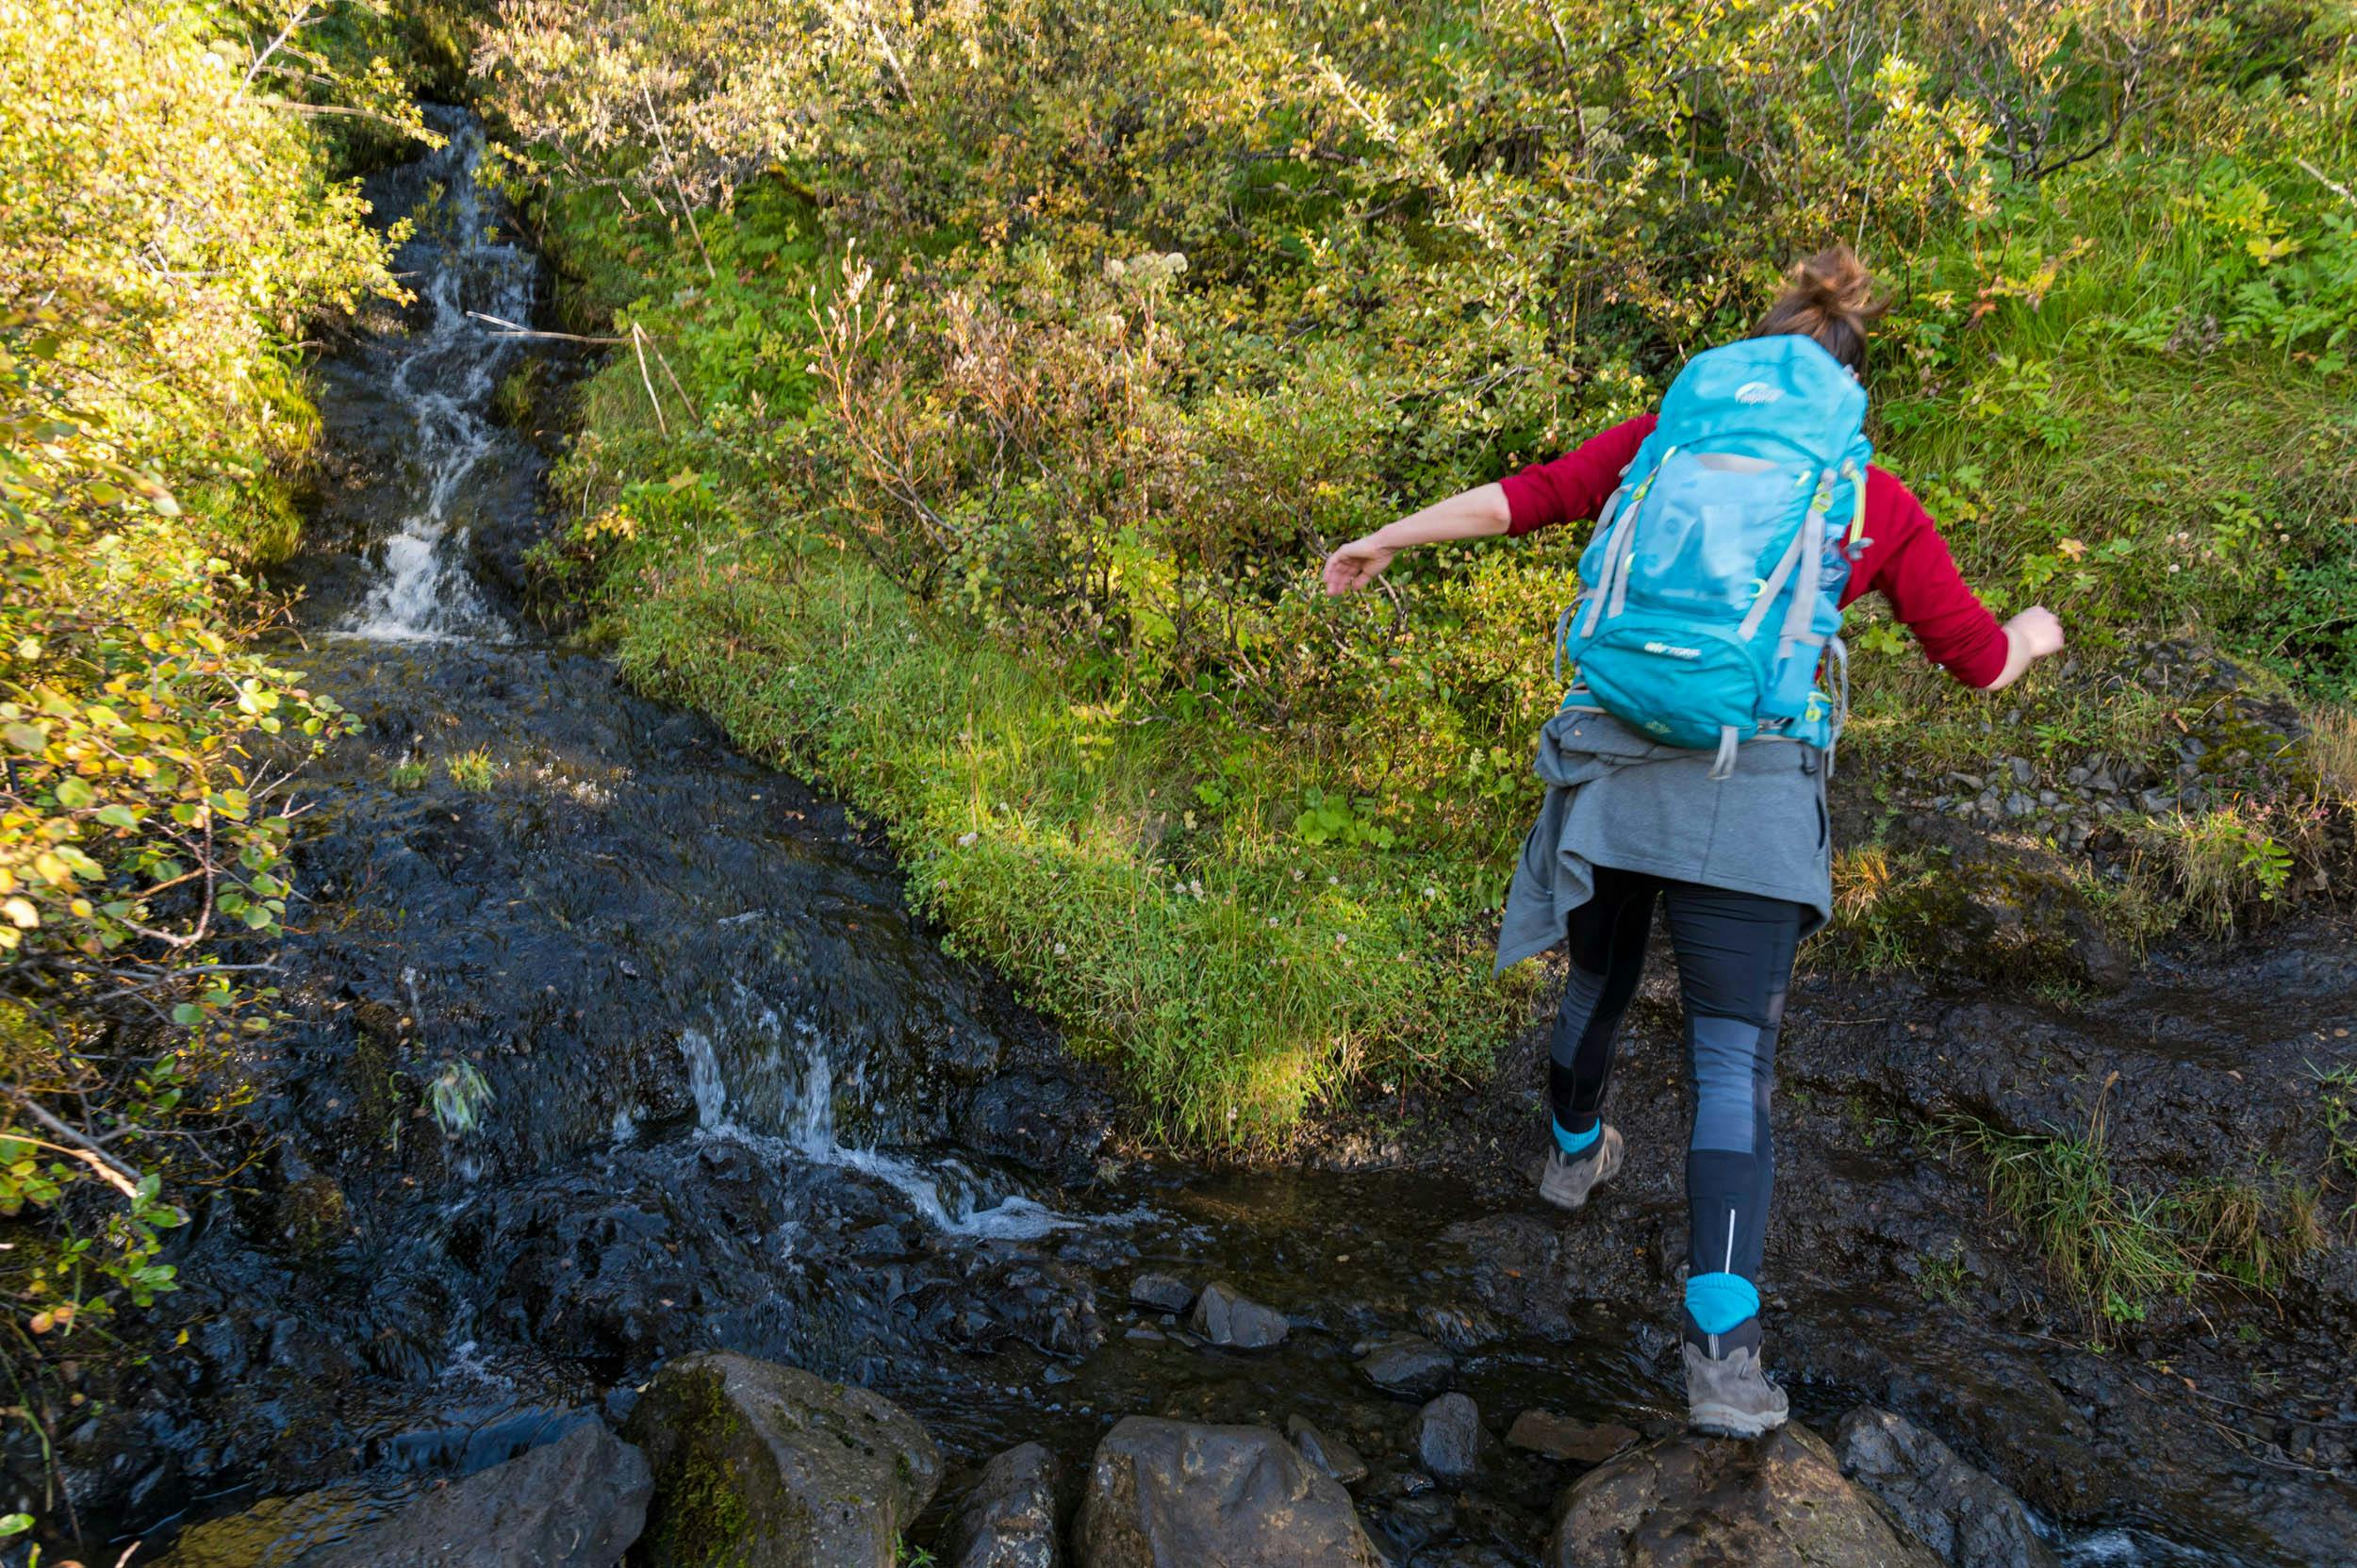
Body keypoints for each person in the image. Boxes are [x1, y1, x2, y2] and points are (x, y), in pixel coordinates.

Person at [1320, 247, 2065, 1436]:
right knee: (1730, 1068)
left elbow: (1533, 494)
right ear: (1848, 388)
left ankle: (1571, 1157)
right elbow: (1976, 661)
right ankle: (1721, 1362)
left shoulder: (1662, 443)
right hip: (1757, 800)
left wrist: (1386, 538)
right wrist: (2033, 630)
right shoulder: (1868, 498)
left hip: (1614, 774)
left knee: (1599, 982)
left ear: (1749, 357)